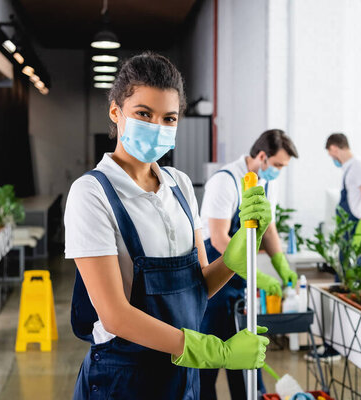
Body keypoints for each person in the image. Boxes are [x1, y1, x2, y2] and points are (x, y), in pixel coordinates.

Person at [64, 52, 271, 400]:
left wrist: (234, 258)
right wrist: (214, 352)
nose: (157, 127)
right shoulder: (91, 193)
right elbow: (115, 315)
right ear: (116, 112)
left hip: (180, 376)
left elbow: (198, 287)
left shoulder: (180, 185)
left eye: (169, 118)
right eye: (144, 114)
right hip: (123, 379)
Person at [199, 129, 299, 400]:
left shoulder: (268, 184)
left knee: (246, 359)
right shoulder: (225, 181)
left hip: (240, 283)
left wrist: (282, 267)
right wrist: (255, 275)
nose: (279, 171)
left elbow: (269, 229)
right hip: (215, 280)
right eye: (277, 165)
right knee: (208, 360)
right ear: (262, 156)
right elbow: (220, 239)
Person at [325, 133, 361, 245]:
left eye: (331, 155)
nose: (332, 159)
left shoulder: (359, 167)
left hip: (357, 227)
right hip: (348, 228)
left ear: (334, 148)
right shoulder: (349, 169)